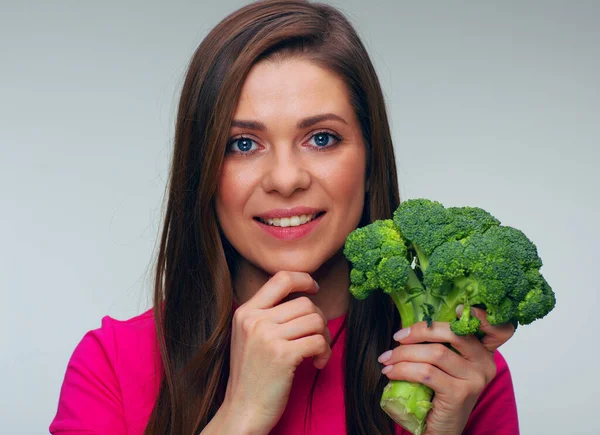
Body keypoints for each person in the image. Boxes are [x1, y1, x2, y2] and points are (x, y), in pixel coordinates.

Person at [50, 1, 519, 434]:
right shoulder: (110, 364)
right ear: (204, 172)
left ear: (371, 158)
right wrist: (241, 415)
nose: (286, 179)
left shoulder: (455, 372)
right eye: (243, 144)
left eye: (321, 138)